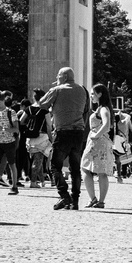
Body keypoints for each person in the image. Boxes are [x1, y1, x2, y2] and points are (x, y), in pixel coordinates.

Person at [43, 67, 91, 210]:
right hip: (78, 133)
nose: (57, 80)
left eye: (58, 78)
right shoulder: (83, 90)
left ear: (63, 77)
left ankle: (64, 195)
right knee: (75, 167)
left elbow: (42, 104)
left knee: (55, 166)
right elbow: (86, 111)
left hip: (62, 132)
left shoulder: (57, 90)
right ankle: (75, 200)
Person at [80, 84, 115, 207]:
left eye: (93, 93)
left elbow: (106, 124)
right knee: (101, 171)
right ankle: (99, 200)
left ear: (100, 94)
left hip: (97, 142)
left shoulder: (103, 109)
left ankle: (94, 198)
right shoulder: (103, 108)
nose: (91, 96)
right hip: (101, 142)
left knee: (85, 167)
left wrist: (96, 135)